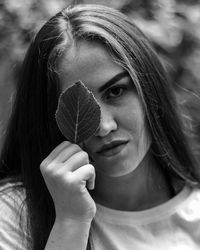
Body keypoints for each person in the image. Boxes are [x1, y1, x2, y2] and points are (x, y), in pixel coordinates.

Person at [0, 3, 200, 250]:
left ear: (150, 88)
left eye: (116, 91)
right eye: (77, 106)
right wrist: (71, 221)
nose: (104, 127)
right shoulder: (15, 215)